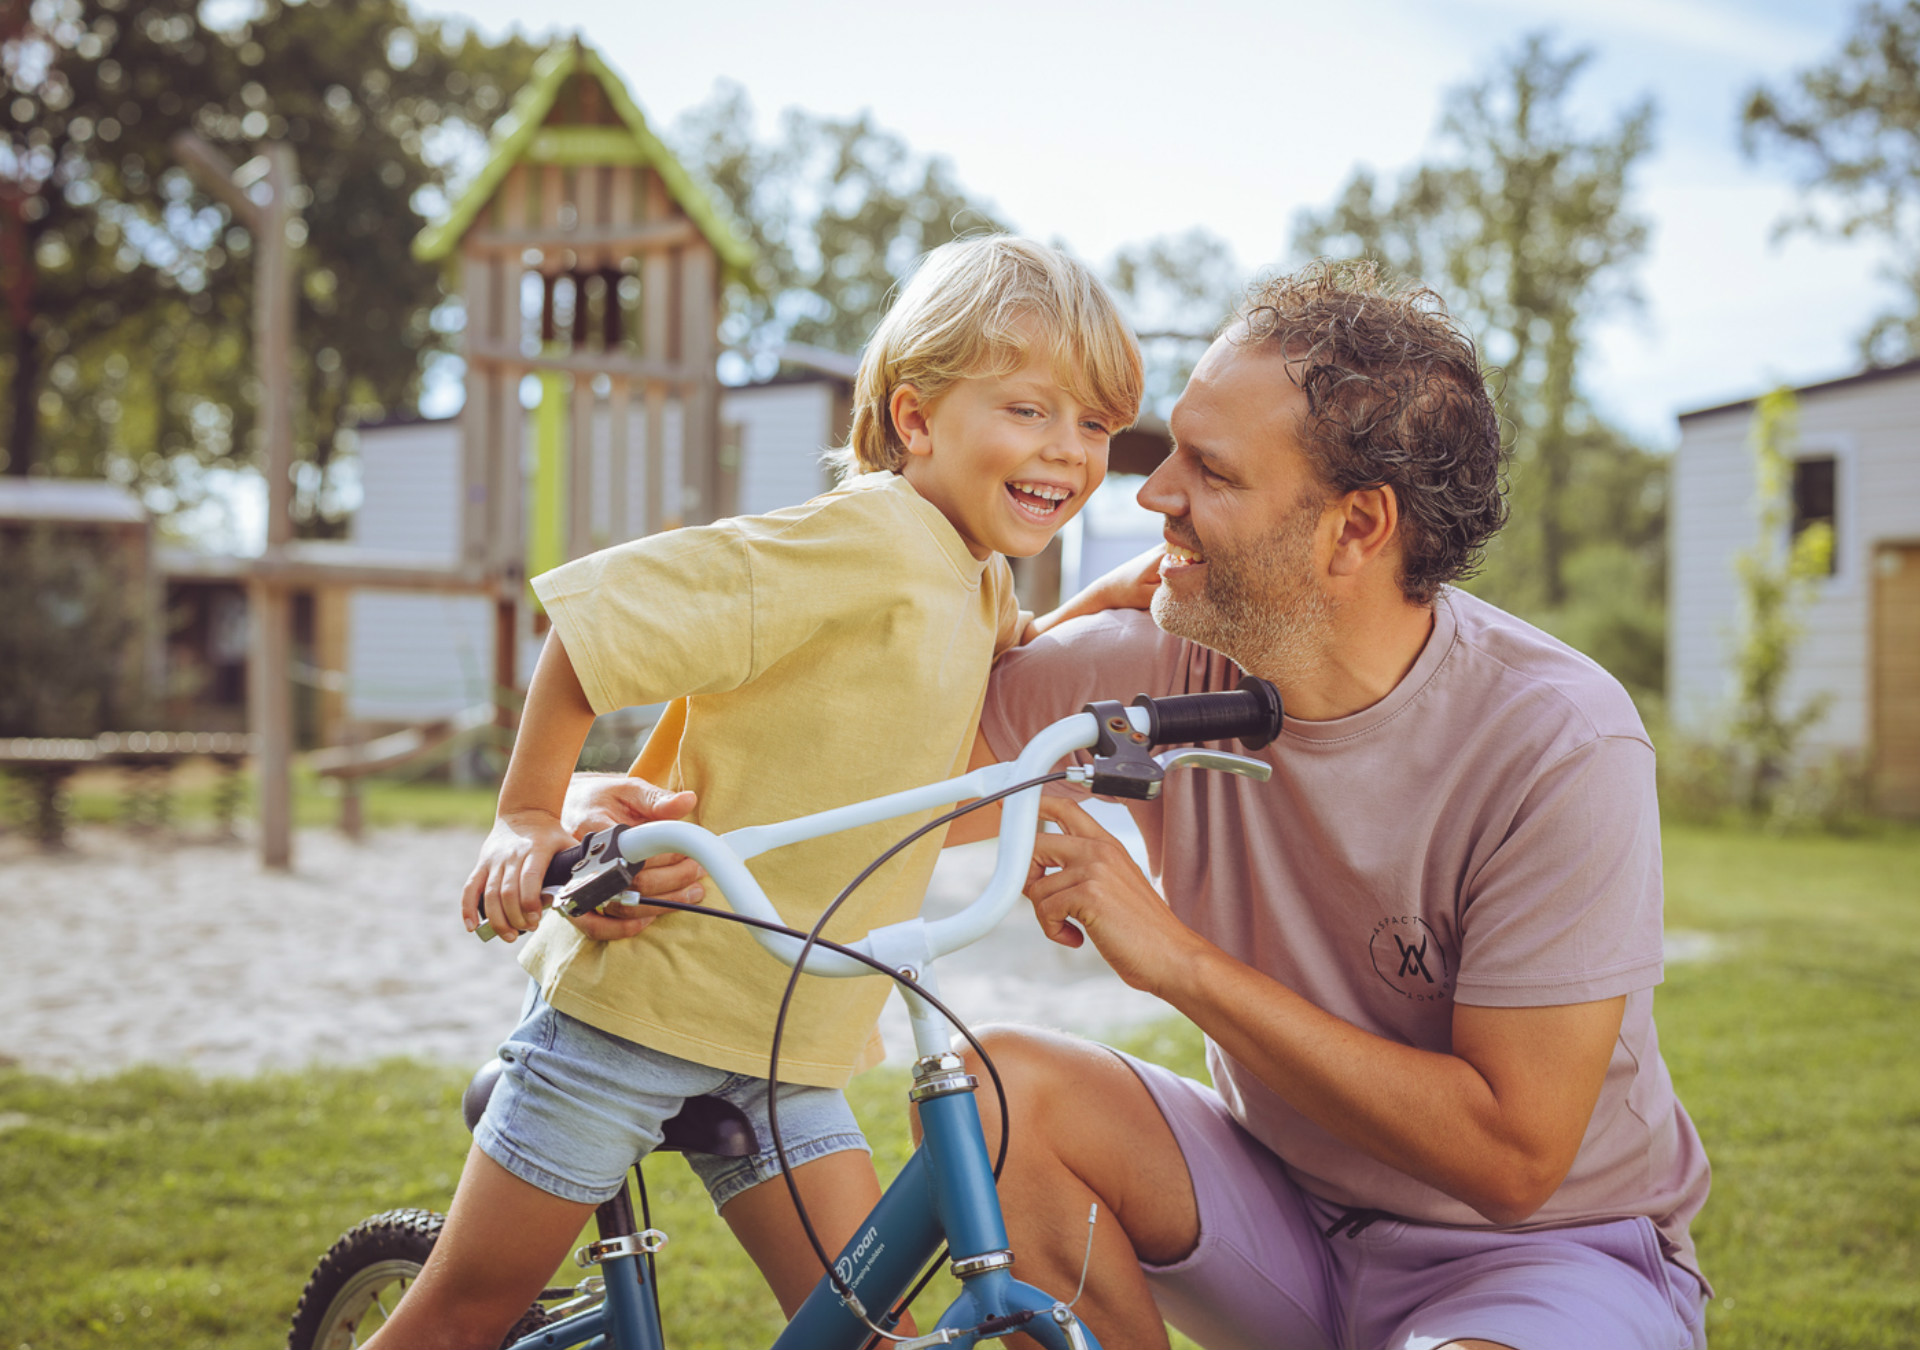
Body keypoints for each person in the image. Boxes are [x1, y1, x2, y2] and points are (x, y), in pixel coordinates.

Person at [579, 258, 1711, 1350]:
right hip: (1285, 1215)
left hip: (1536, 1255)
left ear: (1355, 529)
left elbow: (1513, 1158)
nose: (1149, 490)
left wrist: (1173, 957)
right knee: (1005, 1093)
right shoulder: (1161, 655)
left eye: (1210, 474)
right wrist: (603, 811)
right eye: (1167, 452)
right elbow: (861, 781)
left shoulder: (1559, 740)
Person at [360, 234, 1142, 1349]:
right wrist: (531, 813)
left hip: (791, 1033)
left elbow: (965, 701)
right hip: (646, 1005)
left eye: (1096, 425)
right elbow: (602, 627)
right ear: (916, 420)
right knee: (465, 1314)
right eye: (1030, 410)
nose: (1068, 452)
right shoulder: (863, 536)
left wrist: (1112, 596)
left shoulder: (973, 574)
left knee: (861, 1330)